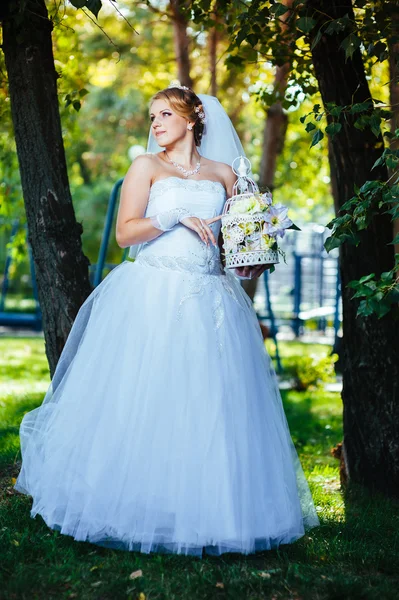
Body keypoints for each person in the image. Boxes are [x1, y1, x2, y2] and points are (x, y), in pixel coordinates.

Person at [14, 86, 320, 557]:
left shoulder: (225, 174)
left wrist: (250, 260)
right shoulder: (147, 167)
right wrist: (174, 215)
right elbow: (124, 232)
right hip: (153, 294)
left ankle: (207, 509)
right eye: (151, 115)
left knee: (210, 403)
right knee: (147, 397)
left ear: (193, 118)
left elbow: (232, 249)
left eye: (164, 114)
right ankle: (134, 503)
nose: (155, 123)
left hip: (212, 300)